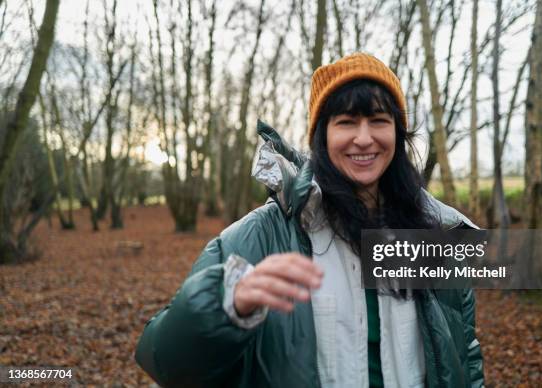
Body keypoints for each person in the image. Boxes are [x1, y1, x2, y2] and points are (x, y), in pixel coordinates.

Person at [135, 53, 484, 388]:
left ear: (398, 132)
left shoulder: (437, 236)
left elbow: (464, 357)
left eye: (379, 120)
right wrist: (224, 309)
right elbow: (167, 364)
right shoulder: (259, 238)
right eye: (346, 122)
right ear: (322, 136)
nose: (364, 138)